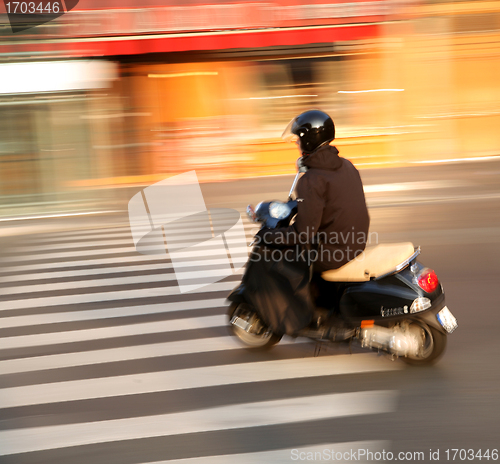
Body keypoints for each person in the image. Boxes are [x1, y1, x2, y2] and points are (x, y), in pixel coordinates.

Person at [244, 109, 370, 340]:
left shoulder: (311, 180)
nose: (298, 145)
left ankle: (305, 316)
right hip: (355, 241)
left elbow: (303, 234)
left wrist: (269, 238)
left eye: (299, 139)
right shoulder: (346, 165)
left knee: (287, 259)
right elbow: (328, 205)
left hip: (335, 250)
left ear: (309, 140)